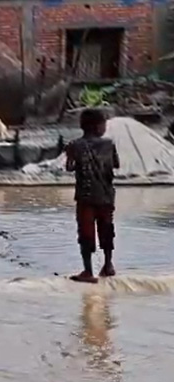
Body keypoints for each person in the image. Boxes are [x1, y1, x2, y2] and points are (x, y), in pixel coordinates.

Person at [65, 109, 120, 283]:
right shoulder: (109, 144)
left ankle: (88, 271)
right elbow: (116, 164)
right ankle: (108, 265)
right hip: (106, 195)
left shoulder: (75, 145)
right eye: (103, 124)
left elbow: (70, 167)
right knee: (106, 230)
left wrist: (69, 155)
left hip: (86, 196)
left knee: (86, 233)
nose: (104, 127)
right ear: (97, 126)